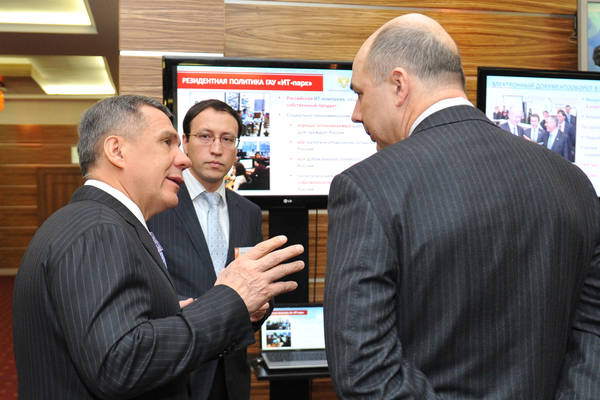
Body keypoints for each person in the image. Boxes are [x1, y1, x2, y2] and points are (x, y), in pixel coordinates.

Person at [324, 13, 600, 399]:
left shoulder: (366, 188)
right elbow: (591, 335)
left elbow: (364, 371)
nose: (356, 114)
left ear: (399, 85)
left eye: (359, 93)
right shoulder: (573, 182)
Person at [12, 95, 304, 399]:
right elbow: (121, 365)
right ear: (117, 151)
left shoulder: (91, 222)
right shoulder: (100, 230)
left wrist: (169, 316)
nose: (183, 159)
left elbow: (116, 340)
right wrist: (230, 299)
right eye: (167, 143)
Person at [147, 99, 264, 400]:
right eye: (205, 137)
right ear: (184, 142)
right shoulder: (155, 206)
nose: (216, 149)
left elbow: (257, 282)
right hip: (177, 373)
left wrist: (262, 307)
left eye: (227, 139)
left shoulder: (248, 212)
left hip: (232, 375)